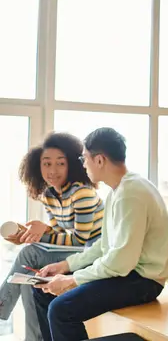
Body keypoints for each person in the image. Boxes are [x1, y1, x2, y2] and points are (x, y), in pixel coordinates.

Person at [32, 127, 168, 341]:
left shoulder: (131, 193)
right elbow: (104, 246)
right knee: (42, 290)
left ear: (99, 160)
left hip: (143, 281)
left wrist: (72, 280)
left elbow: (120, 263)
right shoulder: (118, 190)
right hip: (128, 274)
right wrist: (66, 266)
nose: (83, 164)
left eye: (84, 158)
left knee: (62, 310)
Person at [0, 132, 104, 341]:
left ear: (72, 165)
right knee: (30, 282)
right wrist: (39, 232)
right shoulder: (49, 195)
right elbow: (60, 235)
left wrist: (43, 234)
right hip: (72, 252)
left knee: (29, 253)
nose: (52, 170)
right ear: (37, 167)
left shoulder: (82, 193)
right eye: (46, 164)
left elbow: (79, 241)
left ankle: (1, 304)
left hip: (94, 254)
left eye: (60, 163)